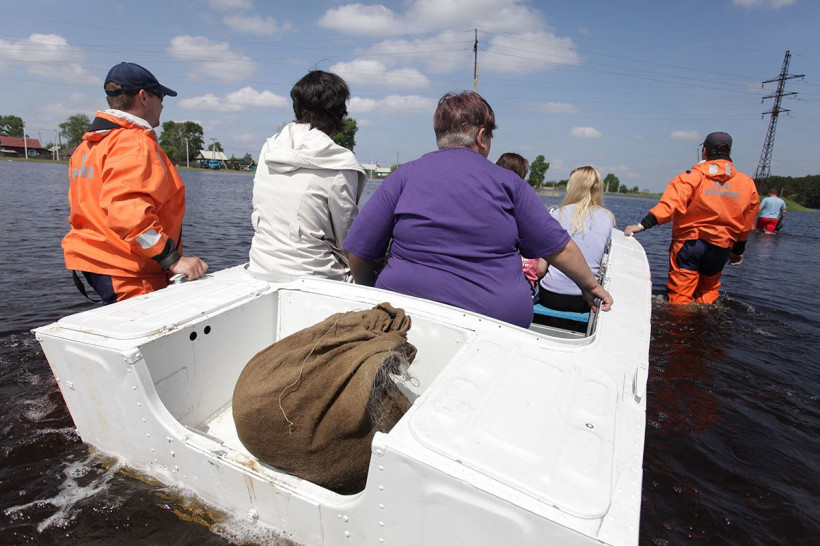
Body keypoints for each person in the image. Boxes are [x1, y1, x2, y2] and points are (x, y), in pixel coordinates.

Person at [343, 91, 612, 328]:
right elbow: (559, 249)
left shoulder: (404, 175)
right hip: (494, 321)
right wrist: (590, 286)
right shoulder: (509, 183)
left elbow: (357, 251)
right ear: (482, 137)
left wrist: (374, 292)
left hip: (404, 313)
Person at [62, 62, 208, 304]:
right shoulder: (134, 143)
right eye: (161, 97)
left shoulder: (89, 146)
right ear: (143, 97)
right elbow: (128, 214)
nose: (163, 105)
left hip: (97, 260)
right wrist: (171, 259)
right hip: (126, 269)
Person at [247, 70, 367, 281]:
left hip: (260, 265)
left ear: (297, 105)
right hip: (316, 274)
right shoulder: (340, 161)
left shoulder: (269, 148)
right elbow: (348, 238)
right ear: (339, 111)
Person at [624, 132, 759, 304]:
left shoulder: (690, 177)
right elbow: (746, 223)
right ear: (729, 152)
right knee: (708, 291)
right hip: (722, 247)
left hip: (690, 244)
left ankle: (680, 318)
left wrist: (641, 226)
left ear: (704, 151)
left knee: (680, 295)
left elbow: (669, 206)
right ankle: (705, 316)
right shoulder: (747, 183)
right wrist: (738, 251)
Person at [539, 166, 615, 313]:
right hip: (585, 298)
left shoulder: (557, 214)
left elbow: (541, 268)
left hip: (551, 295)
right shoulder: (607, 218)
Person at [495, 152, 548, 301]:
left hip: (494, 280)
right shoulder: (529, 207)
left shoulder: (489, 203)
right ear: (522, 176)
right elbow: (540, 270)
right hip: (523, 287)